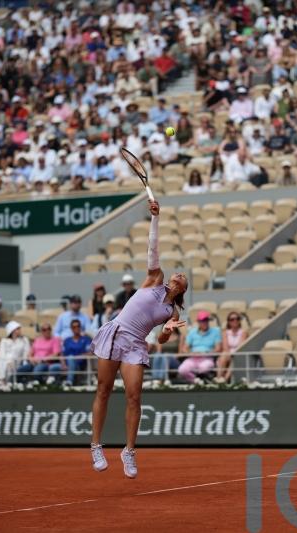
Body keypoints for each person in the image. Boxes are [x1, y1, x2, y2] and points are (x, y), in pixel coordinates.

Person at [89, 199, 188, 478]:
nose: (178, 274)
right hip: (116, 332)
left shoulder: (172, 309)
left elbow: (162, 338)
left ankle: (129, 451)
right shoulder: (155, 278)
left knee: (134, 397)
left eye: (183, 277)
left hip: (135, 344)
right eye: (178, 273)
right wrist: (155, 218)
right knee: (103, 391)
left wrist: (167, 331)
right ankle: (96, 445)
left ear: (182, 289)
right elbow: (152, 248)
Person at [179, 311, 223, 383]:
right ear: (198, 322)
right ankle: (196, 380)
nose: (204, 322)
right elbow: (184, 348)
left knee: (204, 368)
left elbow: (218, 348)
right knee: (182, 370)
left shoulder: (215, 331)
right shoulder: (192, 332)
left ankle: (203, 381)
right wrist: (191, 353)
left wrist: (205, 353)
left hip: (207, 358)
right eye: (202, 321)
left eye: (206, 320)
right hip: (193, 358)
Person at [216, 312, 248, 383]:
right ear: (229, 322)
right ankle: (218, 378)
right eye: (232, 319)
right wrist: (229, 354)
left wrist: (232, 354)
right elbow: (225, 347)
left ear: (239, 321)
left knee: (235, 358)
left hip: (238, 353)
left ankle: (224, 380)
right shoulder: (225, 333)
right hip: (228, 353)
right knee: (224, 355)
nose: (235, 321)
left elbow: (240, 346)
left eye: (237, 319)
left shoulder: (243, 332)